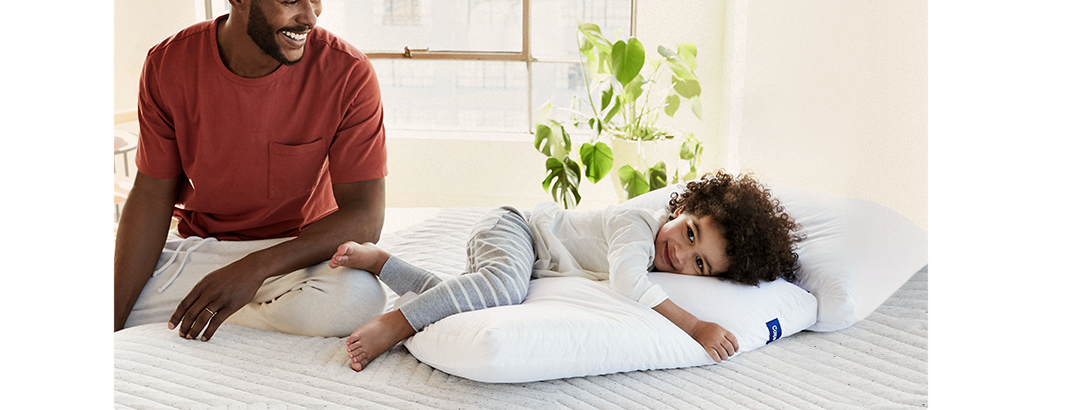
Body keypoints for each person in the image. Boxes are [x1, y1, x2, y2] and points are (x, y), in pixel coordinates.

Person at [112, 0, 389, 343]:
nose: (310, 18)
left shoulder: (348, 73)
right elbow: (152, 195)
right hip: (204, 252)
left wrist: (254, 269)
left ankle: (205, 313)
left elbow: (366, 216)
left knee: (358, 297)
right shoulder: (168, 64)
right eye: (290, 1)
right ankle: (218, 308)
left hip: (297, 256)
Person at [330, 170, 804, 371]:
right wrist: (695, 325)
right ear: (681, 207)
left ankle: (382, 263)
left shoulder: (667, 257)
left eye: (700, 263)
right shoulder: (636, 223)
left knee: (470, 301)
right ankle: (394, 324)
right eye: (691, 232)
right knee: (503, 287)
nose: (680, 253)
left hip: (526, 261)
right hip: (515, 229)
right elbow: (627, 280)